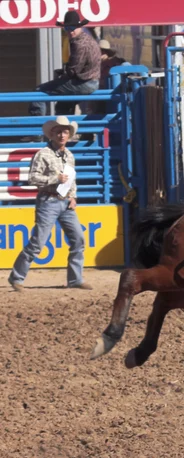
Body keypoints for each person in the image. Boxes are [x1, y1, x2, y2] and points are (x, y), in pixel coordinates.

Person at [8, 117, 92, 292]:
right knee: (38, 242)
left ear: (69, 135)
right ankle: (16, 277)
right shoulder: (42, 154)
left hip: (65, 202)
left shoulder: (69, 155)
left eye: (65, 132)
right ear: (52, 134)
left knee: (79, 238)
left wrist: (73, 196)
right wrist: (55, 178)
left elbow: (72, 179)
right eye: (59, 132)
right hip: (48, 201)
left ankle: (75, 279)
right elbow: (32, 178)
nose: (62, 135)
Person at [29, 11, 101, 117]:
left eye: (72, 28)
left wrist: (61, 76)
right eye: (67, 28)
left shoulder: (79, 44)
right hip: (90, 82)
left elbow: (74, 70)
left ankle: (37, 126)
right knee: (63, 105)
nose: (70, 31)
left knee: (39, 91)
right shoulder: (88, 39)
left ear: (79, 27)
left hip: (84, 83)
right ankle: (65, 128)